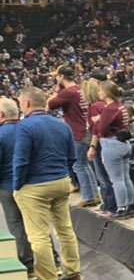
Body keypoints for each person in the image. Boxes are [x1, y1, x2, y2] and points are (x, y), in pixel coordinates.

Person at [11, 87, 82, 280]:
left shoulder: (25, 127)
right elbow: (72, 157)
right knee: (65, 229)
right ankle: (73, 273)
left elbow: (21, 159)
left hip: (34, 186)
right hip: (61, 182)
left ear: (25, 103)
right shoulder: (62, 125)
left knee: (39, 235)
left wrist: (18, 185)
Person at [47, 66, 97, 207]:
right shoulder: (80, 89)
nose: (55, 78)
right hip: (86, 129)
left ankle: (88, 197)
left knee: (79, 166)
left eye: (57, 76)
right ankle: (94, 194)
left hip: (77, 132)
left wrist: (56, 90)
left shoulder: (67, 92)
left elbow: (50, 104)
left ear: (62, 76)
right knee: (85, 165)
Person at [90, 81, 134, 219]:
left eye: (100, 90)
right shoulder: (120, 106)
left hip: (112, 144)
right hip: (124, 143)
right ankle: (129, 206)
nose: (99, 93)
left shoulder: (110, 108)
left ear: (107, 93)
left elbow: (101, 129)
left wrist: (98, 120)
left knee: (117, 180)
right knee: (125, 177)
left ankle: (121, 208)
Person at [0, 97, 34, 280]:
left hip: (8, 186)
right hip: (32, 184)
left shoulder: (1, 134)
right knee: (38, 224)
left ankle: (28, 266)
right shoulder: (28, 129)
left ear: (1, 114)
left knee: (17, 225)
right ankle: (53, 262)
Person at [83, 77, 116, 216]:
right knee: (107, 176)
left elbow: (96, 130)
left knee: (103, 177)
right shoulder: (104, 105)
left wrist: (92, 146)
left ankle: (109, 206)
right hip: (108, 142)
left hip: (100, 144)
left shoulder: (95, 106)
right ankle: (107, 204)